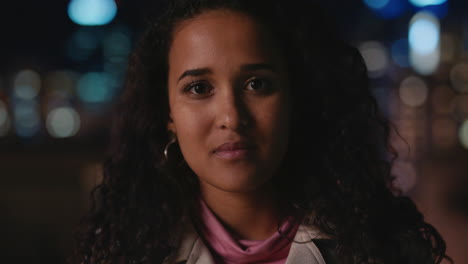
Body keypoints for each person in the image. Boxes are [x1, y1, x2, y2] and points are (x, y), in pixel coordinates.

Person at [72, 0, 451, 263]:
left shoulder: (385, 251)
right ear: (167, 113)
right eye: (199, 88)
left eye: (257, 84)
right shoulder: (127, 255)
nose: (231, 117)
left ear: (295, 98)